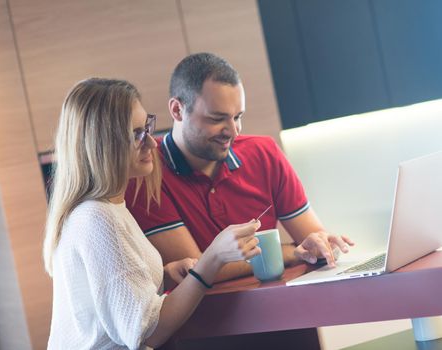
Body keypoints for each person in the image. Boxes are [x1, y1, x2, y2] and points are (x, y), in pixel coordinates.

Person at [43, 78, 261, 349]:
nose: (151, 144)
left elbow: (117, 302)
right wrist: (213, 258)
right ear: (101, 143)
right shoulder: (99, 219)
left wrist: (165, 275)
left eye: (147, 127)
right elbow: (146, 334)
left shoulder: (107, 209)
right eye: (136, 134)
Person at [126, 53, 355, 282]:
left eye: (237, 117)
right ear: (177, 110)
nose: (233, 131)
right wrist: (291, 251)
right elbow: (197, 271)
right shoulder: (144, 172)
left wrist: (321, 245)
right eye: (217, 119)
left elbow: (313, 241)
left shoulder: (264, 153)